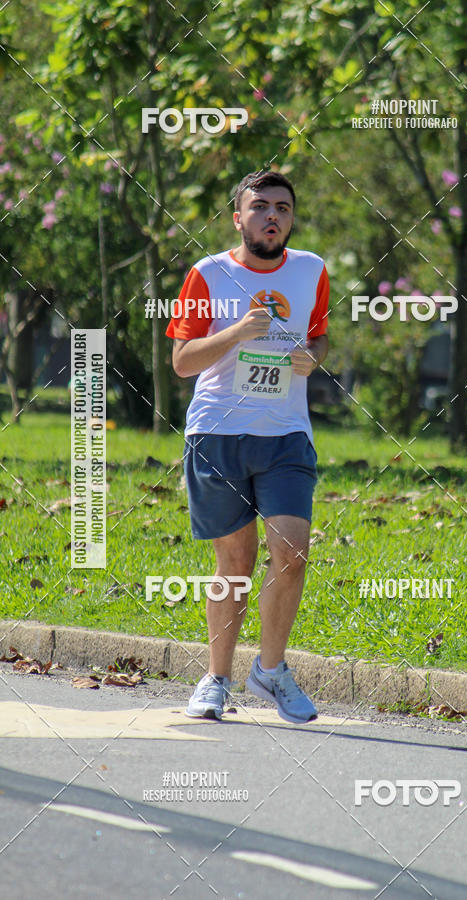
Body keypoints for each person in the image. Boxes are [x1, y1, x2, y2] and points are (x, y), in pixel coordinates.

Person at [165, 170, 329, 724]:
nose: (272, 216)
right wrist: (237, 332)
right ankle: (216, 677)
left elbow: (319, 333)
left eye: (282, 207)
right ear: (238, 218)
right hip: (218, 433)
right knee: (235, 562)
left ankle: (272, 669)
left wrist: (314, 356)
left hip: (286, 434)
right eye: (260, 207)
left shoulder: (312, 270)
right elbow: (183, 362)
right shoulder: (207, 274)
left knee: (292, 553)